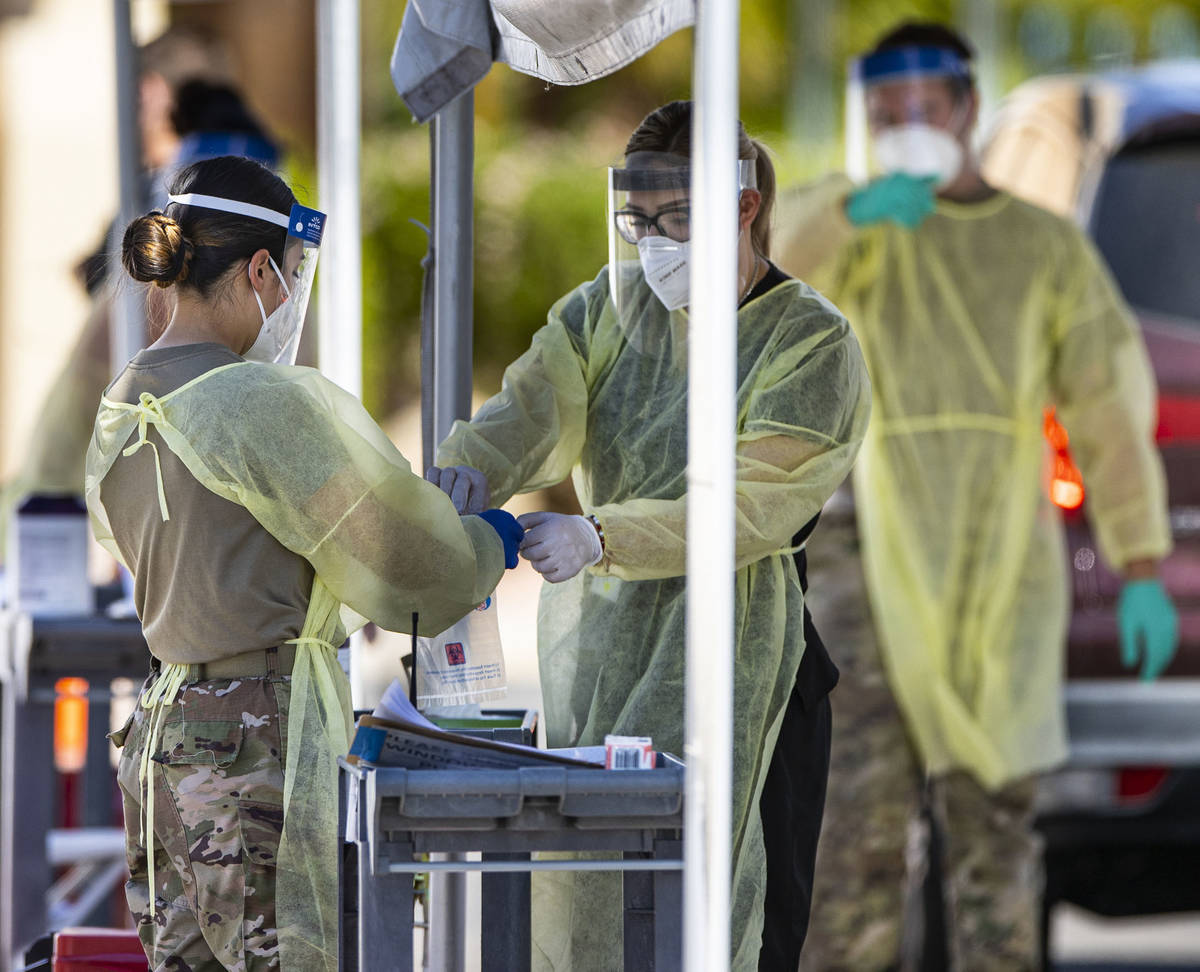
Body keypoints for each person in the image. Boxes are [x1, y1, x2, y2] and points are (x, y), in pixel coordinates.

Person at [426, 101, 871, 970]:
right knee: (594, 905)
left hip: (750, 663)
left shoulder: (812, 342)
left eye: (678, 221)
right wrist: (459, 476)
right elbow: (531, 407)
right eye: (640, 224)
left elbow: (753, 505)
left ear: (743, 208)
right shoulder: (609, 311)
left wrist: (602, 538)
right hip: (612, 653)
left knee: (734, 920)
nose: (655, 245)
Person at [775, 22, 1179, 971]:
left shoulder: (1042, 250)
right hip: (868, 558)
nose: (908, 122)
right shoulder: (861, 233)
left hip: (1002, 559)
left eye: (925, 105)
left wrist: (1144, 562)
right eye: (886, 111)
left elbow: (1108, 403)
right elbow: (770, 269)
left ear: (965, 107)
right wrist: (858, 208)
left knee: (996, 833)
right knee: (855, 838)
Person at [87, 155, 524, 972]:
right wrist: (487, 540)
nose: (289, 299)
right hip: (256, 737)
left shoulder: (124, 401)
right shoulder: (258, 402)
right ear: (258, 269)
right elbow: (403, 558)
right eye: (288, 276)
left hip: (165, 729)